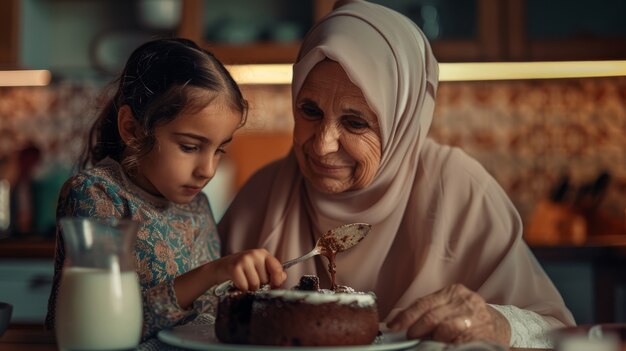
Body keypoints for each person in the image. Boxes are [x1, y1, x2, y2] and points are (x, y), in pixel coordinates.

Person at [218, 1, 575, 348]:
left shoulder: (459, 188)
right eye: (309, 111)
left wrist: (497, 323)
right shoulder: (264, 194)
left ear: (403, 121)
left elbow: (556, 332)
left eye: (355, 122)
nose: (323, 145)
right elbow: (203, 318)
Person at [45, 38, 286, 340]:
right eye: (189, 146)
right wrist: (211, 273)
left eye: (219, 150)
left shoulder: (197, 205)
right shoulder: (97, 194)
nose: (207, 170)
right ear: (132, 129)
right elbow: (101, 324)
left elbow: (208, 313)